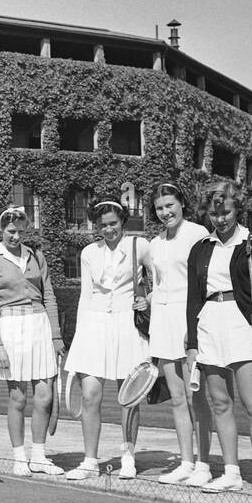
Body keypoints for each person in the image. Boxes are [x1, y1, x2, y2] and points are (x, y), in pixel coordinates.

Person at [186, 181, 252, 500]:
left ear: (237, 208)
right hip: (210, 321)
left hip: (243, 324)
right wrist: (192, 342)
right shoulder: (200, 248)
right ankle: (231, 473)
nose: (220, 218)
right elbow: (193, 299)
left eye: (226, 212)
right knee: (220, 402)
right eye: (214, 213)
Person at [62, 199, 152, 481]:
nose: (108, 229)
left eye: (113, 223)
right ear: (96, 226)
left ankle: (128, 457)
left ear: (122, 221)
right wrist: (79, 336)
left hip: (128, 324)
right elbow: (86, 295)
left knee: (129, 398)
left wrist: (147, 300)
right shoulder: (89, 252)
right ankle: (90, 461)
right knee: (90, 395)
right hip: (94, 324)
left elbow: (162, 281)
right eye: (103, 225)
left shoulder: (140, 246)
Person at [0, 206, 65, 476]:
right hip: (11, 329)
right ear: (1, 230)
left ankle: (39, 456)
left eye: (20, 231)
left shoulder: (36, 256)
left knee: (44, 396)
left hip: (39, 325)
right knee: (17, 398)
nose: (16, 236)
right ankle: (19, 457)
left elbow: (49, 296)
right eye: (10, 231)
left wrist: (56, 336)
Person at [141, 183, 212, 485]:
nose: (165, 212)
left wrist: (195, 325)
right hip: (162, 320)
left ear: (182, 203)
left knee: (199, 396)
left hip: (190, 318)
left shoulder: (198, 234)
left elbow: (206, 281)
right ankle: (186, 461)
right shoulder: (154, 243)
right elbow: (157, 285)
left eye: (170, 205)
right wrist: (147, 302)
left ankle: (205, 465)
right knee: (178, 397)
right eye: (159, 208)